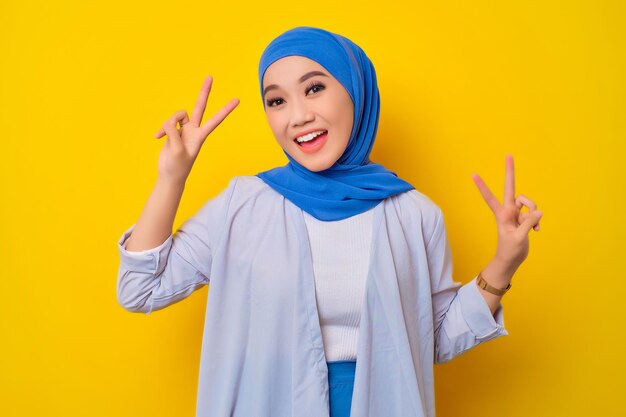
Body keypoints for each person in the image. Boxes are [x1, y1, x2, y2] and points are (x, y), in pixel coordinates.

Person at [116, 26, 542, 417]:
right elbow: (139, 289)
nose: (297, 116)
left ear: (355, 91)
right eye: (277, 100)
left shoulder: (413, 214)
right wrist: (172, 176)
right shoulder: (243, 206)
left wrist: (505, 261)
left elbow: (432, 338)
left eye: (314, 88)